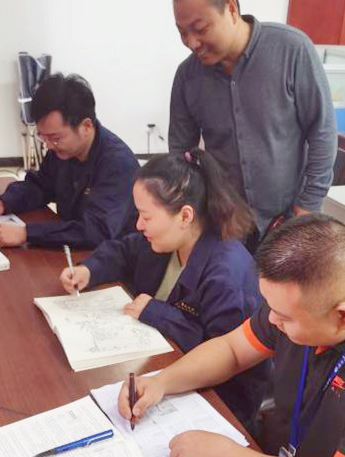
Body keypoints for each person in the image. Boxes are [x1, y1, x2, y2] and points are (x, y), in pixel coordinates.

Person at [117, 214, 345, 457]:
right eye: (271, 307)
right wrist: (161, 382)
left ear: (343, 317)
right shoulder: (302, 302)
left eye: (284, 317)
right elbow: (232, 350)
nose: (272, 320)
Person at [60, 148, 270, 425]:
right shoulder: (168, 240)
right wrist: (89, 269)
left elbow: (222, 355)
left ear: (185, 216)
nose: (138, 225)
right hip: (162, 364)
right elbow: (124, 250)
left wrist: (157, 313)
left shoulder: (225, 276)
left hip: (219, 400)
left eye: (146, 217)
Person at [169, 0, 337, 246]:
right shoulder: (187, 76)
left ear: (231, 8)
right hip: (226, 224)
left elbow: (322, 132)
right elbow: (180, 155)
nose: (192, 43)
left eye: (200, 29)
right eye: (182, 32)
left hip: (289, 219)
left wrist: (307, 208)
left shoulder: (292, 50)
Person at [0, 73, 139, 248]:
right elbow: (40, 186)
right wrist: (5, 202)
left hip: (114, 256)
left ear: (86, 127)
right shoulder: (62, 151)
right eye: (43, 137)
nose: (49, 145)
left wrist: (27, 233)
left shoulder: (118, 164)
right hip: (73, 250)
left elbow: (96, 231)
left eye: (55, 138)